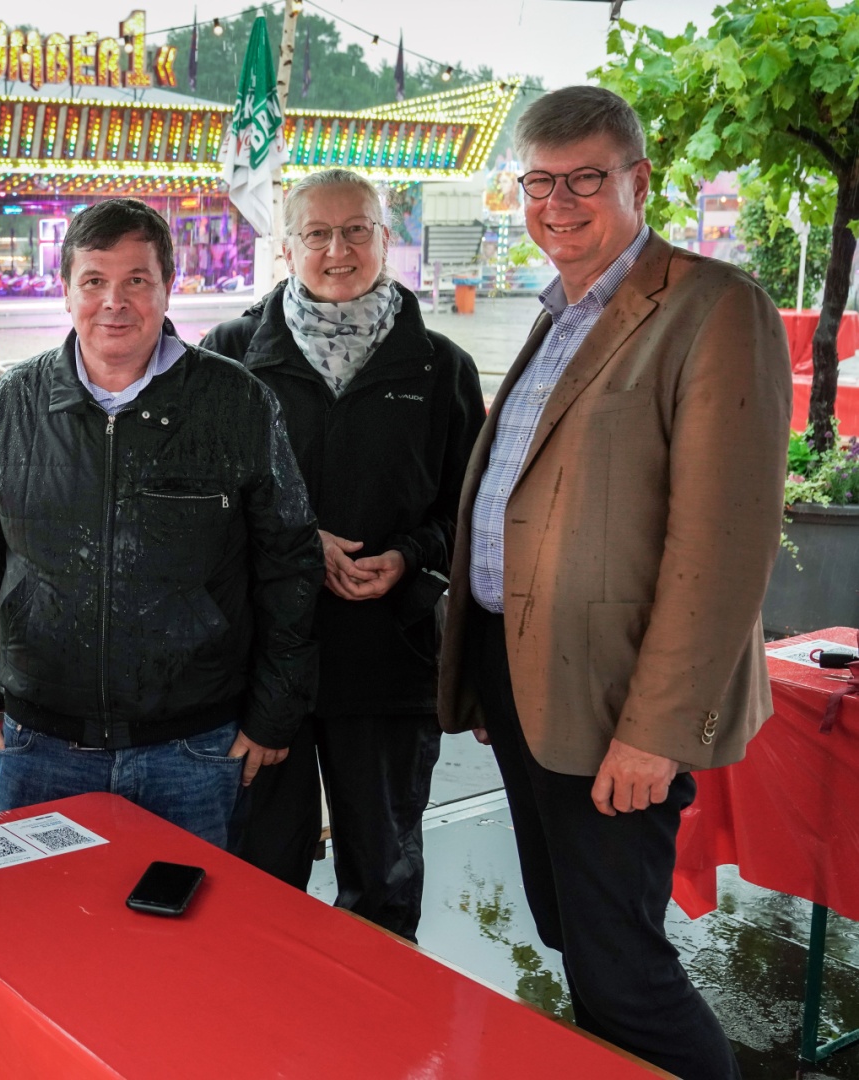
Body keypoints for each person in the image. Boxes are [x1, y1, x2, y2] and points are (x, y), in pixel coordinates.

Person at [437, 86, 790, 1079]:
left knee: (624, 965)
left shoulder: (714, 308)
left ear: (639, 182)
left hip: (616, 707)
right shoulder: (559, 313)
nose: (559, 201)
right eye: (540, 181)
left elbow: (722, 546)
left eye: (586, 178)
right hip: (530, 685)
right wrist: (488, 670)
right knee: (572, 936)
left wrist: (655, 730)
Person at [0, 197, 322, 849]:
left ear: (168, 286)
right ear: (66, 291)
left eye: (136, 281)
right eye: (94, 281)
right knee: (42, 940)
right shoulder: (11, 405)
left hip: (192, 751)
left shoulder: (235, 403)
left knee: (182, 939)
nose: (113, 302)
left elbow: (290, 567)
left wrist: (273, 716)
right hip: (40, 748)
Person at [202, 169, 484, 934]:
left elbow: (469, 515)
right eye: (318, 234)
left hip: (388, 664)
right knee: (260, 879)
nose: (338, 249)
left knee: (384, 879)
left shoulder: (441, 368)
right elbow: (196, 512)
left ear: (386, 239)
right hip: (262, 672)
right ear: (287, 247)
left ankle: (378, 1042)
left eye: (357, 229)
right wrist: (298, 543)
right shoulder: (227, 358)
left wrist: (406, 557)